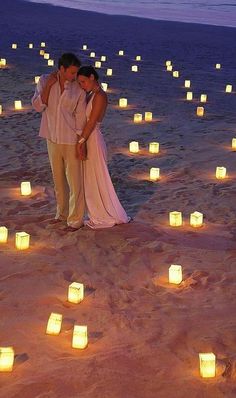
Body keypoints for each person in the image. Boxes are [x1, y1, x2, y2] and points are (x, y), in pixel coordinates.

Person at [32, 53, 86, 230]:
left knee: (75, 181)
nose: (75, 76)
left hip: (70, 139)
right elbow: (38, 106)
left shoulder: (78, 88)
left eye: (76, 72)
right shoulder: (45, 80)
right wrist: (48, 86)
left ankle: (75, 219)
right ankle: (61, 214)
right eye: (71, 72)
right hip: (52, 138)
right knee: (58, 180)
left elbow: (80, 117)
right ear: (61, 69)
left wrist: (80, 142)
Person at [76, 66, 130, 229]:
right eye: (80, 83)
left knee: (97, 176)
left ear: (92, 77)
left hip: (93, 138)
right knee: (91, 178)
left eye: (83, 81)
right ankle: (96, 211)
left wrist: (81, 141)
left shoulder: (100, 96)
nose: (82, 85)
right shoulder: (91, 94)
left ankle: (104, 213)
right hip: (88, 137)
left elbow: (92, 122)